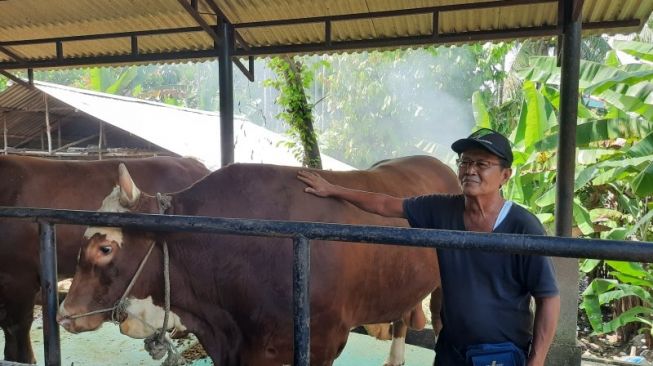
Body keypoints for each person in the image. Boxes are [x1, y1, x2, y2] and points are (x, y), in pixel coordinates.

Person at [297, 128, 560, 366]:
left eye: (482, 164)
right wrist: (333, 190)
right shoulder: (441, 208)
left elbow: (548, 297)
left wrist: (536, 361)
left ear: (505, 175)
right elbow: (385, 205)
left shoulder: (523, 226)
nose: (470, 170)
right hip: (451, 352)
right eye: (465, 162)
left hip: (502, 355)